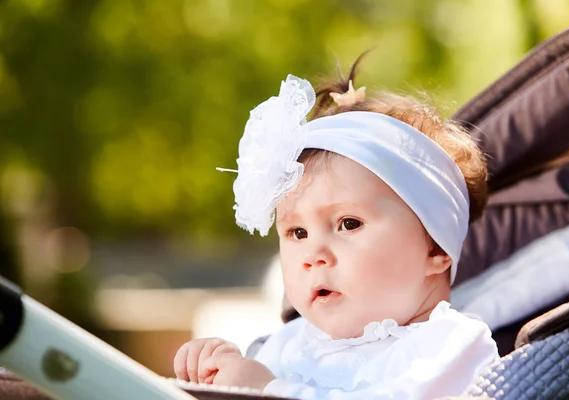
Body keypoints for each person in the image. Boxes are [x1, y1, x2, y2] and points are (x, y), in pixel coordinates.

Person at [173, 57, 499, 399]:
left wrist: (267, 390)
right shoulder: (286, 345)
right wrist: (219, 376)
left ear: (435, 247)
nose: (313, 256)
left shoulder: (449, 347)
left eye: (348, 223)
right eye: (297, 233)